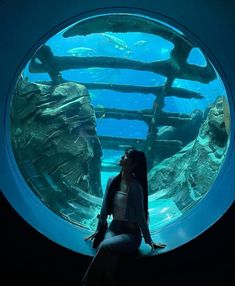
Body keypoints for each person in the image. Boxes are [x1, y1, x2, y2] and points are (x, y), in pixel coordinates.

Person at [81, 147, 166, 286]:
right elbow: (104, 207)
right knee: (110, 265)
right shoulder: (111, 180)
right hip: (113, 229)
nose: (122, 157)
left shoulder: (136, 187)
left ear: (134, 164)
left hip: (131, 234)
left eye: (126, 156)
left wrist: (149, 240)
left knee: (104, 246)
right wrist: (98, 229)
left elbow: (140, 215)